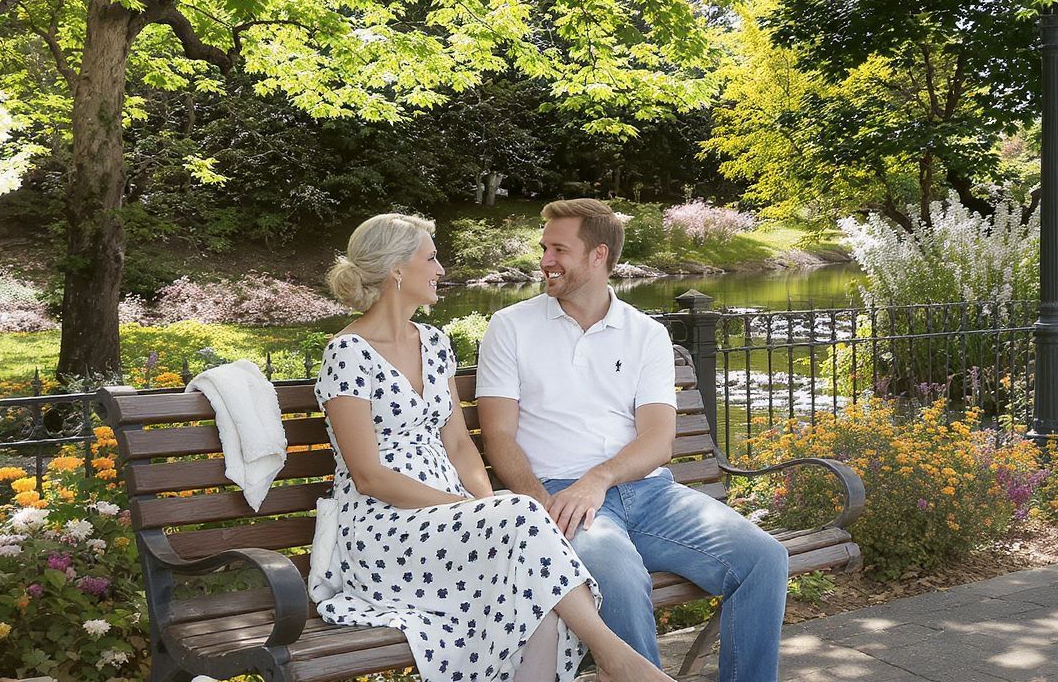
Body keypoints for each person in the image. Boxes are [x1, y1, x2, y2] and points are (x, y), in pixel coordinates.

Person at [313, 212, 676, 682]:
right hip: (385, 529)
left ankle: (612, 661)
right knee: (523, 520)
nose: (441, 269)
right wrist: (470, 510)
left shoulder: (433, 343)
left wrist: (484, 508)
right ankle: (615, 658)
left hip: (448, 519)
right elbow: (368, 476)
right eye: (431, 258)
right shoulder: (347, 353)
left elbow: (459, 444)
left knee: (536, 593)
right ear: (397, 269)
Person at [475, 199, 789, 682]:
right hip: (561, 499)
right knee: (619, 577)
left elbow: (658, 441)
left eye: (559, 249)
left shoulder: (645, 334)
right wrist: (540, 507)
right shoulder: (511, 327)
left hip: (649, 493)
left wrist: (599, 479)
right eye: (544, 248)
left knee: (764, 559)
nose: (545, 260)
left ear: (598, 255)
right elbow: (498, 435)